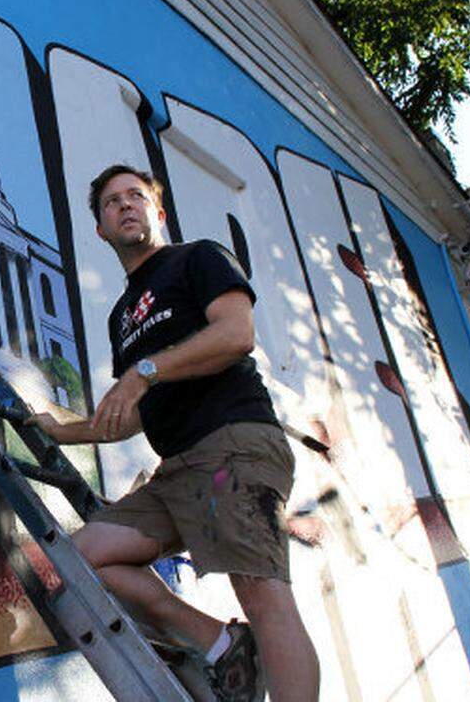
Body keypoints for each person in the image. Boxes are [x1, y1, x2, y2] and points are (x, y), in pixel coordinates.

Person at [27, 165, 319, 702]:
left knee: (264, 597)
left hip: (233, 444)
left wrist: (145, 372)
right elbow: (132, 411)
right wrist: (60, 431)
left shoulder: (197, 258)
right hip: (177, 472)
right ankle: (222, 643)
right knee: (82, 557)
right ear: (101, 229)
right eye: (112, 202)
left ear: (157, 211)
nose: (125, 206)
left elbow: (236, 334)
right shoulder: (122, 317)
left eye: (135, 196)